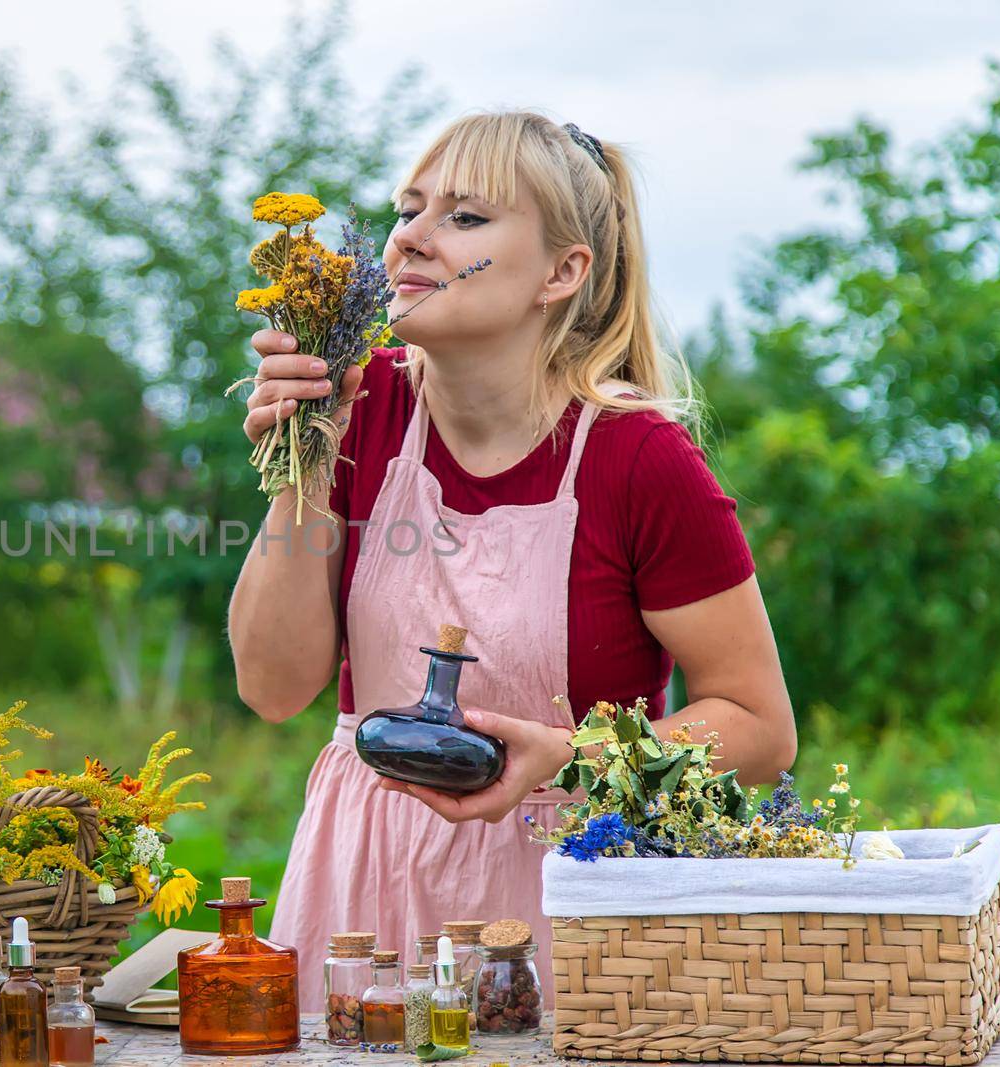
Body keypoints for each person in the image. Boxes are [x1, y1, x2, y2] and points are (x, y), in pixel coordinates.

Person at [225, 111, 797, 1011]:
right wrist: (305, 453)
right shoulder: (362, 410)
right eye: (408, 209)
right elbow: (272, 686)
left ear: (563, 272)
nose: (410, 236)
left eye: (465, 217)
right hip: (360, 888)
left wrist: (569, 758)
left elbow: (762, 729)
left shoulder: (639, 459)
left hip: (568, 893)